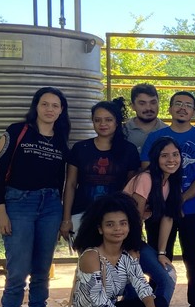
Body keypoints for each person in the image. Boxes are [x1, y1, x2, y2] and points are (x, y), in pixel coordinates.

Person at [0, 86, 70, 307]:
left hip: (50, 206)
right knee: (17, 271)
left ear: (61, 111)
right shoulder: (16, 131)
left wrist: (63, 216)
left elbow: (63, 180)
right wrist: (0, 209)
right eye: (45, 104)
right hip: (18, 204)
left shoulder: (61, 140)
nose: (50, 109)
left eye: (55, 106)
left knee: (41, 270)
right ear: (36, 106)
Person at [69, 192, 174, 307]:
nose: (117, 229)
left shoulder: (128, 254)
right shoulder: (91, 257)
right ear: (100, 229)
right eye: (110, 224)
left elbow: (140, 283)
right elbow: (101, 304)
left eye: (123, 223)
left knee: (159, 304)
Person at [141, 91, 195, 307]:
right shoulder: (156, 137)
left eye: (188, 105)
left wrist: (180, 200)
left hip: (191, 211)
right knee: (158, 262)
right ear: (171, 108)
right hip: (157, 211)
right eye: (178, 104)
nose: (183, 108)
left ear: (194, 111)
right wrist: (165, 203)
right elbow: (146, 170)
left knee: (194, 262)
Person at [123, 137, 184, 307]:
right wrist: (132, 249)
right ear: (155, 158)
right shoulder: (146, 179)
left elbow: (168, 218)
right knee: (140, 285)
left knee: (160, 279)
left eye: (175, 155)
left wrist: (160, 252)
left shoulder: (171, 182)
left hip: (132, 240)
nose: (171, 159)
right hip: (121, 239)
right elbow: (135, 216)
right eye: (165, 155)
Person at [60, 98, 140, 240]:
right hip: (82, 214)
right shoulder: (80, 149)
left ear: (117, 121)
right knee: (88, 258)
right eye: (98, 120)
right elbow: (71, 184)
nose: (103, 124)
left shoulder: (129, 150)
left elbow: (131, 188)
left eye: (108, 120)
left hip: (116, 216)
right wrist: (66, 220)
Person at [122, 83, 165, 154]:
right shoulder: (122, 131)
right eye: (142, 103)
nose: (148, 108)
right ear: (133, 106)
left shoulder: (167, 131)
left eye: (153, 103)